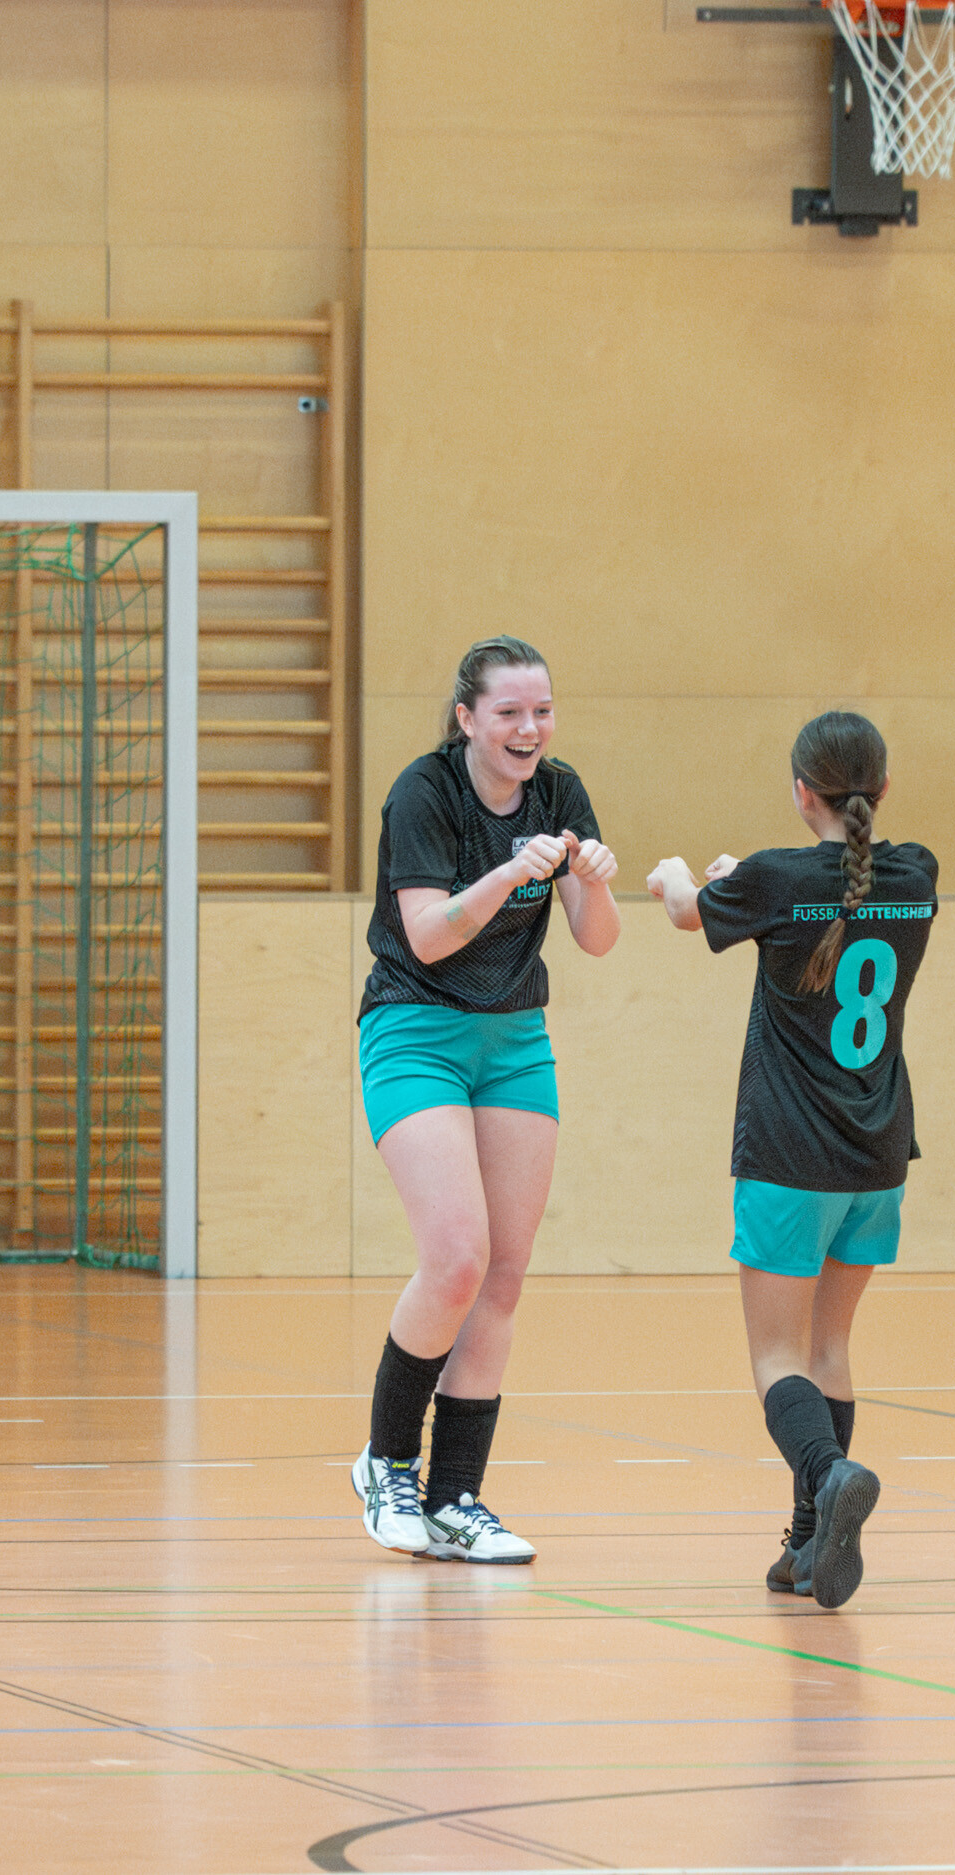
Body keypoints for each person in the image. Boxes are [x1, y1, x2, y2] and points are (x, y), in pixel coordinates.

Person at [648, 710, 936, 1609]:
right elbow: (827, 897)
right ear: (882, 788)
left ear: (801, 791)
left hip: (788, 1154)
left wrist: (678, 875)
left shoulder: (773, 881)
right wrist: (751, 882)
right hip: (877, 1156)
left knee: (777, 1357)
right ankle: (810, 1543)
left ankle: (828, 1474)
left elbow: (691, 911)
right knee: (830, 1347)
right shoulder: (918, 874)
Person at [351, 635, 620, 1564]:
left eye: (541, 711)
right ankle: (387, 1461)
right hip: (415, 1029)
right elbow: (427, 935)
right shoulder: (423, 793)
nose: (529, 728)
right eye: (509, 712)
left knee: (503, 1271)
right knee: (456, 1255)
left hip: (513, 1043)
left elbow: (595, 939)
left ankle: (456, 1496)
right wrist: (511, 871)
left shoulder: (560, 791)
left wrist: (591, 881)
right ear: (468, 718)